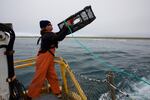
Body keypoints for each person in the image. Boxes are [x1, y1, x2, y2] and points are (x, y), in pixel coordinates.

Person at [27, 20, 68, 99]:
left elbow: (59, 34)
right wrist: (65, 27)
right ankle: (30, 96)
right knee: (39, 77)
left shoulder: (49, 34)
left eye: (51, 24)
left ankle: (57, 92)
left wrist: (64, 28)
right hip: (43, 58)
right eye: (49, 25)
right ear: (45, 27)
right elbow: (59, 37)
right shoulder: (47, 35)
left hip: (49, 58)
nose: (51, 25)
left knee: (52, 76)